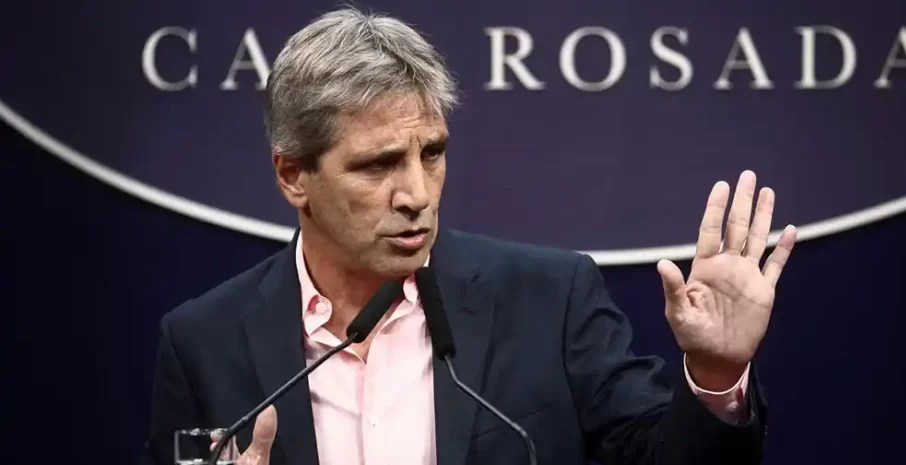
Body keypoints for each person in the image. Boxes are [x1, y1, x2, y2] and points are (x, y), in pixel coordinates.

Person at [139, 6, 797, 465]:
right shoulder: (204, 342)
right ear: (293, 176)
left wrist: (716, 375)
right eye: (378, 164)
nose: (416, 194)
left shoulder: (548, 300)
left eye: (431, 153)